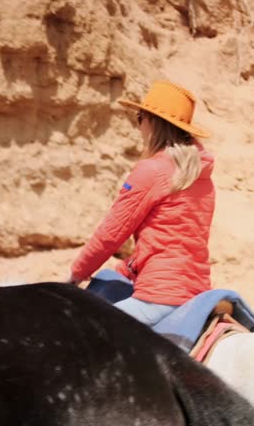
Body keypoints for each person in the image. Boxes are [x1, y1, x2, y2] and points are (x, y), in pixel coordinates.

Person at [68, 81, 215, 327]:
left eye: (139, 117)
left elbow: (110, 235)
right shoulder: (203, 178)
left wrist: (76, 275)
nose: (139, 126)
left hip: (158, 295)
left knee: (81, 333)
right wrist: (126, 270)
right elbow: (174, 240)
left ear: (152, 123)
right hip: (196, 292)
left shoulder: (152, 171)